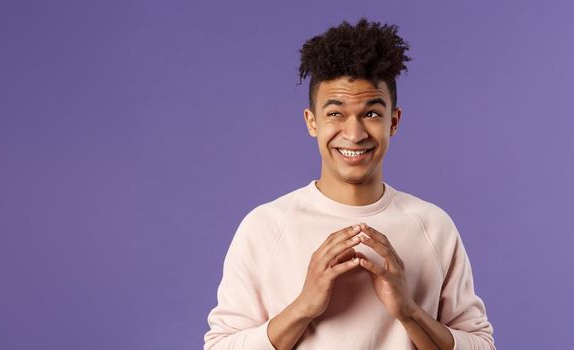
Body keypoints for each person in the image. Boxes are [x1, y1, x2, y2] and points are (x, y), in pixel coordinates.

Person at [203, 17, 496, 350]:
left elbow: (482, 345)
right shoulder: (265, 227)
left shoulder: (433, 226)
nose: (354, 134)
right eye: (335, 113)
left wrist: (408, 311)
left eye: (371, 113)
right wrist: (304, 307)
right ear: (312, 122)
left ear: (394, 121)